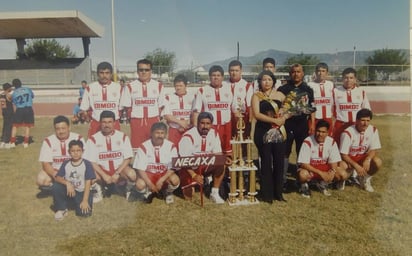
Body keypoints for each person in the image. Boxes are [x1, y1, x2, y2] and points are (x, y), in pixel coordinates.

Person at [84, 110, 136, 202]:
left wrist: (117, 173)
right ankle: (99, 191)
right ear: (100, 123)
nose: (106, 125)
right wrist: (104, 175)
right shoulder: (93, 139)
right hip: (102, 171)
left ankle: (128, 190)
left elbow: (128, 158)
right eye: (104, 122)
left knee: (132, 174)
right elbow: (91, 161)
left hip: (118, 170)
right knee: (89, 176)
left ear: (114, 123)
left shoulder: (122, 137)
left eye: (109, 122)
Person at [251, 70, 287, 203]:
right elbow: (257, 114)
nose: (267, 82)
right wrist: (273, 121)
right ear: (260, 81)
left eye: (269, 79)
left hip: (279, 131)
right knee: (266, 162)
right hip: (263, 131)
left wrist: (284, 117)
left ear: (273, 81)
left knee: (279, 162)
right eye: (264, 79)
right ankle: (267, 194)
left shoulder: (280, 95)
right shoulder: (257, 96)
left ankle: (279, 193)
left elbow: (289, 110)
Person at [277, 64, 315, 185]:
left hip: (302, 125)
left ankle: (301, 181)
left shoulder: (308, 89)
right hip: (287, 125)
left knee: (302, 152)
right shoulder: (283, 89)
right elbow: (278, 108)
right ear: (290, 74)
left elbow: (312, 108)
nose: (296, 74)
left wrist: (312, 123)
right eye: (293, 72)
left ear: (303, 73)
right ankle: (282, 180)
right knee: (284, 152)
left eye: (299, 72)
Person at [178, 112, 226, 204]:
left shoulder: (214, 133)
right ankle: (198, 182)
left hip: (205, 166)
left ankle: (214, 193)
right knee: (189, 197)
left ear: (211, 124)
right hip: (190, 168)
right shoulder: (188, 136)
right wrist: (194, 175)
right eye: (202, 123)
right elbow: (183, 161)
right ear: (198, 123)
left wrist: (223, 160)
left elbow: (218, 154)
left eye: (208, 124)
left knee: (221, 164)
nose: (205, 126)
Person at [297, 120, 348, 198]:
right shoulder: (308, 141)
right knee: (302, 174)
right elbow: (304, 164)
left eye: (323, 132)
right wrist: (321, 173)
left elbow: (334, 161)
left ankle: (322, 184)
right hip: (311, 169)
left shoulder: (331, 142)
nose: (320, 134)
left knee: (343, 174)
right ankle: (304, 186)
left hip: (324, 169)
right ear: (315, 130)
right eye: (318, 131)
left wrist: (332, 172)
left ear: (327, 133)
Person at [122, 59, 165, 150]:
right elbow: (127, 106)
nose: (144, 72)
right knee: (138, 150)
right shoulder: (130, 86)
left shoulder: (158, 86)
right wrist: (133, 118)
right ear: (137, 71)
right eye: (141, 70)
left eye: (146, 70)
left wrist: (156, 118)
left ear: (151, 71)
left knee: (154, 148)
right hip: (137, 122)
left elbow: (161, 106)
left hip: (153, 121)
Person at [133, 122, 180, 204]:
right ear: (151, 133)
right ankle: (147, 192)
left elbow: (173, 167)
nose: (160, 136)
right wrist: (149, 183)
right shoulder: (144, 146)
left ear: (165, 134)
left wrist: (161, 180)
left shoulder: (171, 146)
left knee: (175, 180)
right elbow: (140, 168)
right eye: (157, 133)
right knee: (139, 184)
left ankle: (167, 192)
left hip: (163, 175)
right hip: (149, 175)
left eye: (162, 133)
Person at [37, 115, 85, 195]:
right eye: (58, 129)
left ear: (69, 128)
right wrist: (54, 175)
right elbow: (45, 163)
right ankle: (56, 189)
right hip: (56, 172)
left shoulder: (78, 138)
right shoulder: (48, 141)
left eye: (63, 128)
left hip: (75, 170)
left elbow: (85, 159)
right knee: (41, 179)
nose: (61, 131)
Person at [192, 65, 233, 157]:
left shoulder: (229, 89)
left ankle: (227, 171)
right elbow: (196, 111)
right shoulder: (202, 90)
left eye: (218, 75)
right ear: (210, 77)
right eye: (213, 75)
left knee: (227, 152)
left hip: (226, 126)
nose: (216, 77)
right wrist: (195, 129)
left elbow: (234, 109)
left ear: (222, 77)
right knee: (212, 152)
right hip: (210, 127)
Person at [79, 62, 127, 138]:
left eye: (107, 73)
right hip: (96, 123)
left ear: (111, 74)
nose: (104, 76)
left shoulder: (119, 88)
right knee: (94, 148)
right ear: (97, 74)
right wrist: (87, 116)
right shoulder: (90, 88)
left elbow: (121, 109)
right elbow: (84, 108)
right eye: (102, 73)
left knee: (115, 148)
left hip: (113, 124)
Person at [339, 108, 382, 192]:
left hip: (362, 158)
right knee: (341, 169)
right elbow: (343, 154)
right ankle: (343, 180)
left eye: (368, 120)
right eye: (362, 120)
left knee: (378, 161)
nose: (365, 123)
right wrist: (356, 166)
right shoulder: (347, 133)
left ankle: (365, 179)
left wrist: (368, 159)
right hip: (349, 159)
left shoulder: (373, 130)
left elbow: (374, 149)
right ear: (357, 121)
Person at [53, 140, 95, 220]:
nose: (75, 153)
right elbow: (57, 177)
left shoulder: (87, 164)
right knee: (56, 186)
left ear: (83, 151)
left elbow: (88, 182)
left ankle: (83, 202)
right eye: (73, 151)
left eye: (78, 150)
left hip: (82, 192)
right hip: (69, 191)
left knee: (84, 214)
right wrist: (67, 183)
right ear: (69, 152)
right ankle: (62, 209)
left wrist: (85, 200)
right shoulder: (66, 163)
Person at [333, 67, 371, 145]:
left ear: (355, 79)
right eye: (346, 78)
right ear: (342, 78)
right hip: (341, 125)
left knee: (354, 147)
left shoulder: (361, 92)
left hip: (356, 125)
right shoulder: (335, 91)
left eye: (351, 78)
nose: (348, 80)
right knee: (338, 148)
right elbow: (330, 109)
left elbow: (366, 111)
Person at [163, 74, 195, 147]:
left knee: (189, 153)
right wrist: (181, 123)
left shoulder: (193, 97)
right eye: (176, 86)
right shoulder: (168, 98)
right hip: (174, 130)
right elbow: (167, 116)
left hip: (189, 129)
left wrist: (186, 124)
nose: (178, 88)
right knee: (173, 153)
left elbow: (195, 114)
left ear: (186, 86)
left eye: (181, 86)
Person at [228, 60, 254, 142]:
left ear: (241, 71)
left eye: (236, 70)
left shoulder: (247, 85)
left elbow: (250, 105)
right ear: (229, 71)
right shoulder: (224, 85)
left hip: (242, 119)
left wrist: (249, 122)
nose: (234, 73)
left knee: (242, 141)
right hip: (228, 118)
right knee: (229, 142)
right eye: (232, 70)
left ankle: (244, 154)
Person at [308, 63, 335, 136]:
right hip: (315, 118)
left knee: (328, 140)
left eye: (323, 71)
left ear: (327, 73)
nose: (321, 73)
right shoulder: (310, 85)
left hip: (327, 118)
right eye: (319, 71)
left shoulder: (331, 84)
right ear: (316, 72)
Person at [9, 78, 34, 148]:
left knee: (15, 126)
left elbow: (14, 102)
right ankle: (26, 143)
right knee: (27, 126)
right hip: (29, 109)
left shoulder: (14, 93)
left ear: (14, 86)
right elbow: (32, 96)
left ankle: (12, 142)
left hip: (20, 109)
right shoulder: (28, 89)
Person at [0, 83, 14, 149]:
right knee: (9, 126)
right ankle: (7, 141)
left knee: (5, 126)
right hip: (9, 112)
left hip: (4, 111)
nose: (12, 88)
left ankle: (2, 141)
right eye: (11, 87)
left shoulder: (1, 94)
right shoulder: (9, 95)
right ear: (8, 88)